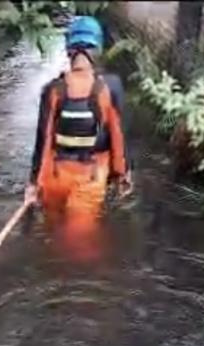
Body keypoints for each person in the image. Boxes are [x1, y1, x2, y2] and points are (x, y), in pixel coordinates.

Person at [25, 15, 132, 262]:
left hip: (53, 177)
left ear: (69, 50)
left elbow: (43, 140)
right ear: (97, 49)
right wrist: (122, 174)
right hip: (89, 179)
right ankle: (75, 294)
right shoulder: (111, 87)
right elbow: (118, 136)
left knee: (51, 233)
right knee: (79, 246)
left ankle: (48, 274)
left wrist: (33, 183)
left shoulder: (53, 89)